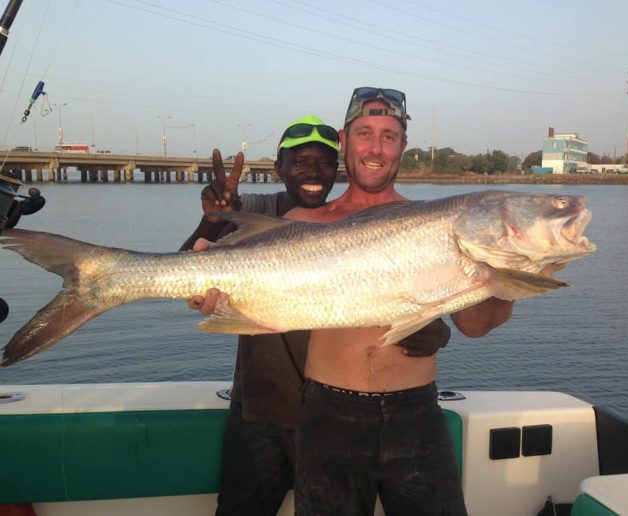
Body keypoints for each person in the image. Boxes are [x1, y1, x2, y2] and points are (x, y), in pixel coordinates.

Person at [183, 115, 452, 516]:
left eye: (325, 163)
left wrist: (435, 328)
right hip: (262, 408)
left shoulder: (356, 229)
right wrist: (215, 218)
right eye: (300, 162)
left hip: (328, 412)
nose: (313, 172)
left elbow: (388, 294)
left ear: (338, 166)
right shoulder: (256, 209)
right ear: (279, 168)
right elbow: (189, 270)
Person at [282, 88, 514, 516]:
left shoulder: (438, 223)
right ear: (344, 140)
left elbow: (476, 326)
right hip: (328, 415)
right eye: (365, 133)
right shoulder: (302, 224)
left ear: (403, 147)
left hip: (416, 412)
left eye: (389, 137)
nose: (376, 148)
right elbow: (251, 300)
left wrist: (510, 271)